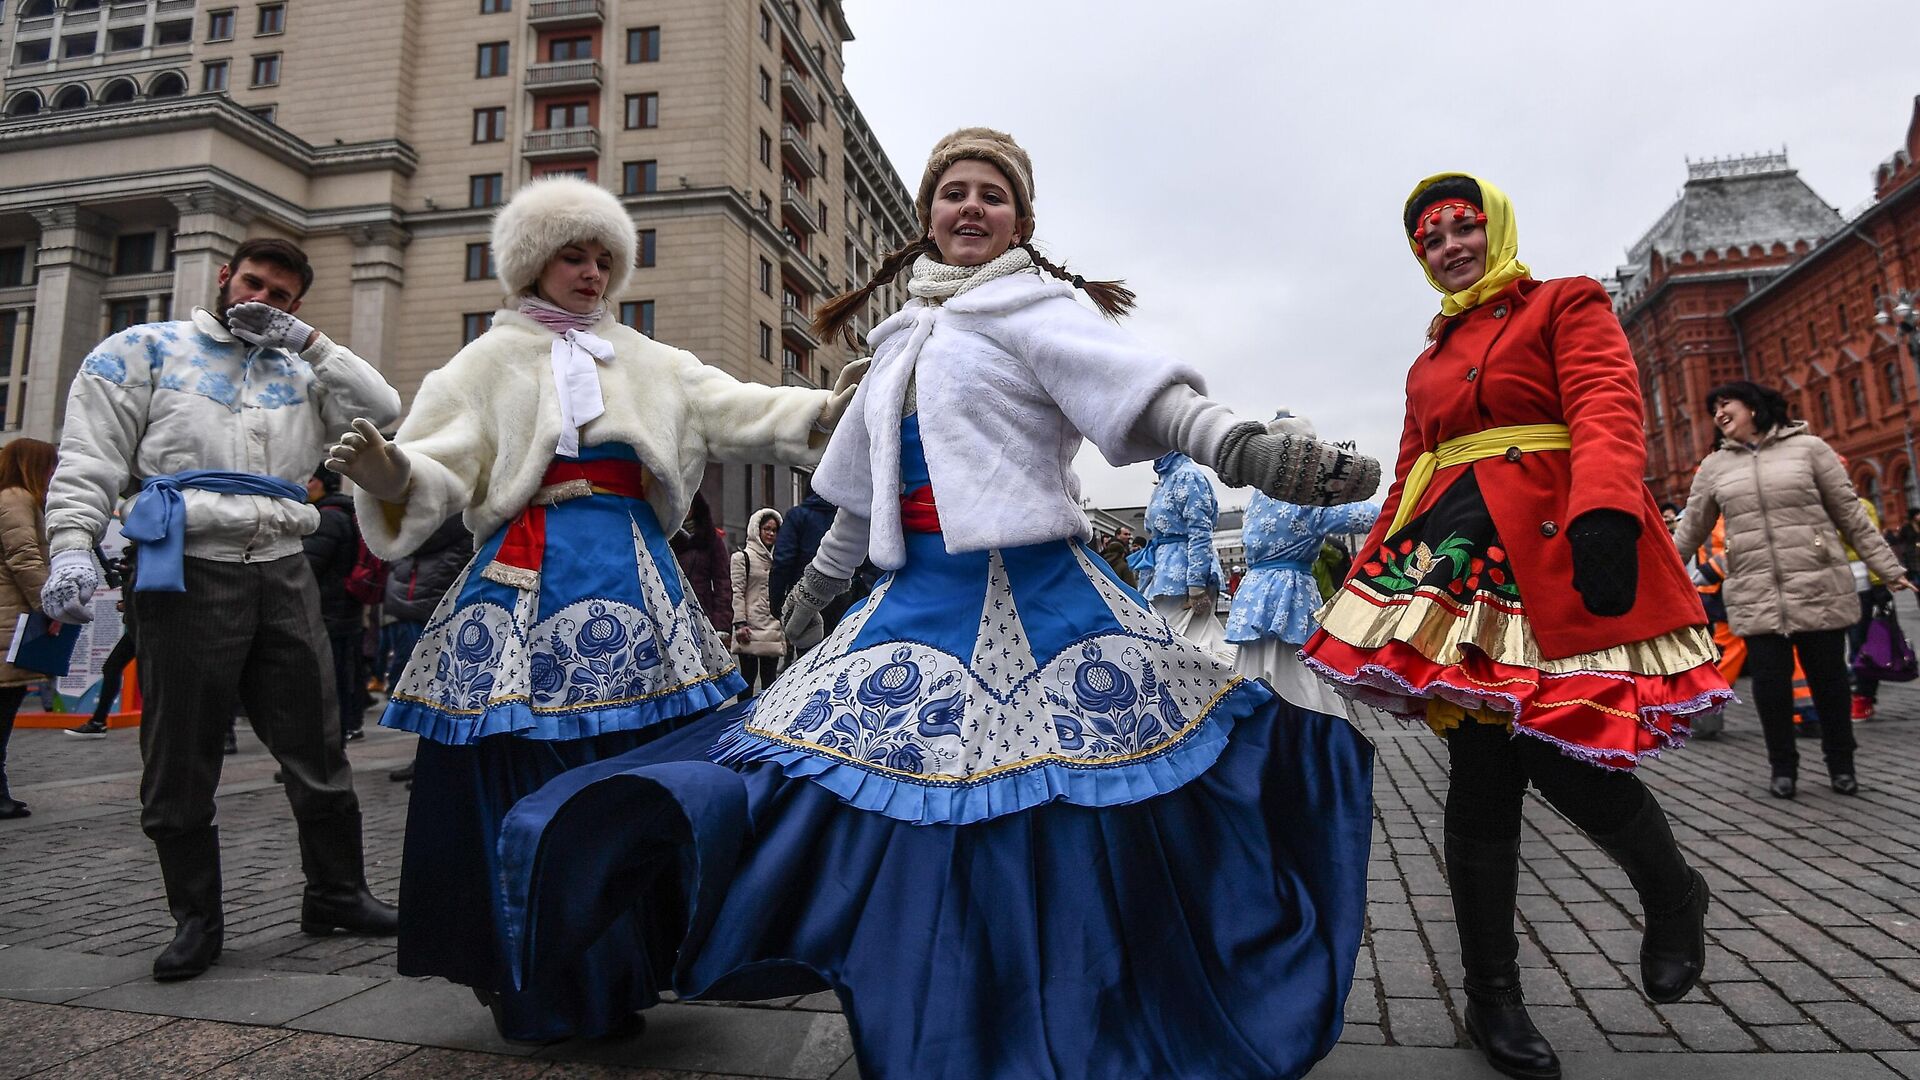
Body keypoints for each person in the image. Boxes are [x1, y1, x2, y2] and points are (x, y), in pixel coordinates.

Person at [497, 127, 1381, 1079]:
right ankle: (953, 1013)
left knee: (1066, 824)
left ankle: (1073, 1007)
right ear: (924, 220)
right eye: (953, 192)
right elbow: (855, 500)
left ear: (1020, 221)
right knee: (888, 816)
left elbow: (1151, 403)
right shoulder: (899, 344)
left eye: (991, 195)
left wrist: (1249, 452)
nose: (971, 207)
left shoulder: (1039, 310)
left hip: (1043, 601)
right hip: (912, 605)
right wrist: (807, 603)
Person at [323, 176, 860, 1041]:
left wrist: (829, 408)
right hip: (524, 574)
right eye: (573, 255)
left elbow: (737, 406)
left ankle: (634, 959)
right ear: (533, 264)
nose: (592, 271)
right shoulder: (484, 361)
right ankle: (537, 972)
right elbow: (438, 460)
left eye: (604, 257)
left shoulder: (647, 357)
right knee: (518, 759)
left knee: (637, 765)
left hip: (635, 579)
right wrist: (392, 475)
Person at [1303, 174, 1733, 1080]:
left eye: (1463, 228)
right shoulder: (1426, 362)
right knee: (1481, 766)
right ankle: (1491, 997)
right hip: (1461, 567)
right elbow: (1414, 471)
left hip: (1563, 549)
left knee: (1567, 747)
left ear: (1493, 226)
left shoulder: (1564, 301)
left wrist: (1608, 511)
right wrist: (1370, 566)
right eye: (1430, 239)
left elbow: (1607, 404)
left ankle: (1670, 891)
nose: (1449, 246)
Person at [39, 237, 404, 981]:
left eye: (279, 296)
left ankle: (336, 893)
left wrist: (311, 344)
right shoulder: (141, 349)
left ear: (295, 308)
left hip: (282, 565)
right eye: (252, 284)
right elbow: (89, 455)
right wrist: (73, 543)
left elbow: (384, 409)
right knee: (181, 753)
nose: (259, 302)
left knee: (318, 741)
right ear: (223, 276)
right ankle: (196, 919)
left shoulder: (303, 369)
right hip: (185, 567)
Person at [1670, 381, 1913, 796]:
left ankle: (1842, 765)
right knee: (1770, 688)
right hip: (1755, 590)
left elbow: (1851, 515)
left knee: (1830, 683)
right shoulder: (1714, 467)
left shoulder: (1810, 450)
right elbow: (1690, 531)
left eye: (1726, 403)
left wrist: (1888, 568)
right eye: (1714, 408)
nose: (1719, 412)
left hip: (1817, 583)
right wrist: (1657, 576)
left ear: (1754, 406)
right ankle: (1783, 768)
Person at [1227, 414, 1380, 717]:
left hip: (1254, 594)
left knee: (1253, 670)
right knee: (1300, 679)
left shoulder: (1258, 496)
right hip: (1291, 593)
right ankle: (1313, 741)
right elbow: (1366, 517)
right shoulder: (1306, 498)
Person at [380, 512, 472, 785]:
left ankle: (433, 760)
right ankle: (426, 758)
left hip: (432, 604)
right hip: (418, 603)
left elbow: (414, 539)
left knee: (435, 688)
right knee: (420, 688)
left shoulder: (451, 512)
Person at [0, 438, 56, 820]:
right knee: (3, 708)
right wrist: (50, 605)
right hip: (8, 619)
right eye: (50, 465)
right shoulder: (17, 499)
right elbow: (25, 558)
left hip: (8, 616)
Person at [1141, 450, 1233, 655]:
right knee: (1175, 646)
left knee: (1188, 648)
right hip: (1165, 574)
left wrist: (1196, 585)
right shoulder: (1167, 477)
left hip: (1182, 576)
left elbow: (1201, 532)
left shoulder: (1188, 475)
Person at [303, 468, 366, 744]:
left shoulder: (326, 518)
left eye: (310, 480)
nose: (304, 486)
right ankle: (344, 730)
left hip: (328, 612)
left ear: (324, 484)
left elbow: (307, 567)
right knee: (343, 678)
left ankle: (328, 746)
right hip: (346, 611)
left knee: (327, 684)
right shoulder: (347, 513)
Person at [67, 546, 136, 739]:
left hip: (145, 627)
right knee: (112, 668)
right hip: (138, 625)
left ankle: (98, 722)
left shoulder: (143, 556)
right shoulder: (137, 556)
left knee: (117, 668)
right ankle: (98, 721)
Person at [730, 508, 784, 692]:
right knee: (746, 683)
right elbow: (737, 592)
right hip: (749, 628)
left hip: (772, 626)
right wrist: (739, 623)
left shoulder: (780, 559)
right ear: (756, 529)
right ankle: (743, 719)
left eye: (774, 530)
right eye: (766, 529)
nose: (770, 533)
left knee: (770, 684)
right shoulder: (741, 558)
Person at [669, 493, 731, 637]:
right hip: (672, 612)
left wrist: (721, 623)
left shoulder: (711, 539)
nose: (685, 509)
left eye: (689, 505)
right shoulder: (665, 537)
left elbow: (722, 583)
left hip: (703, 614)